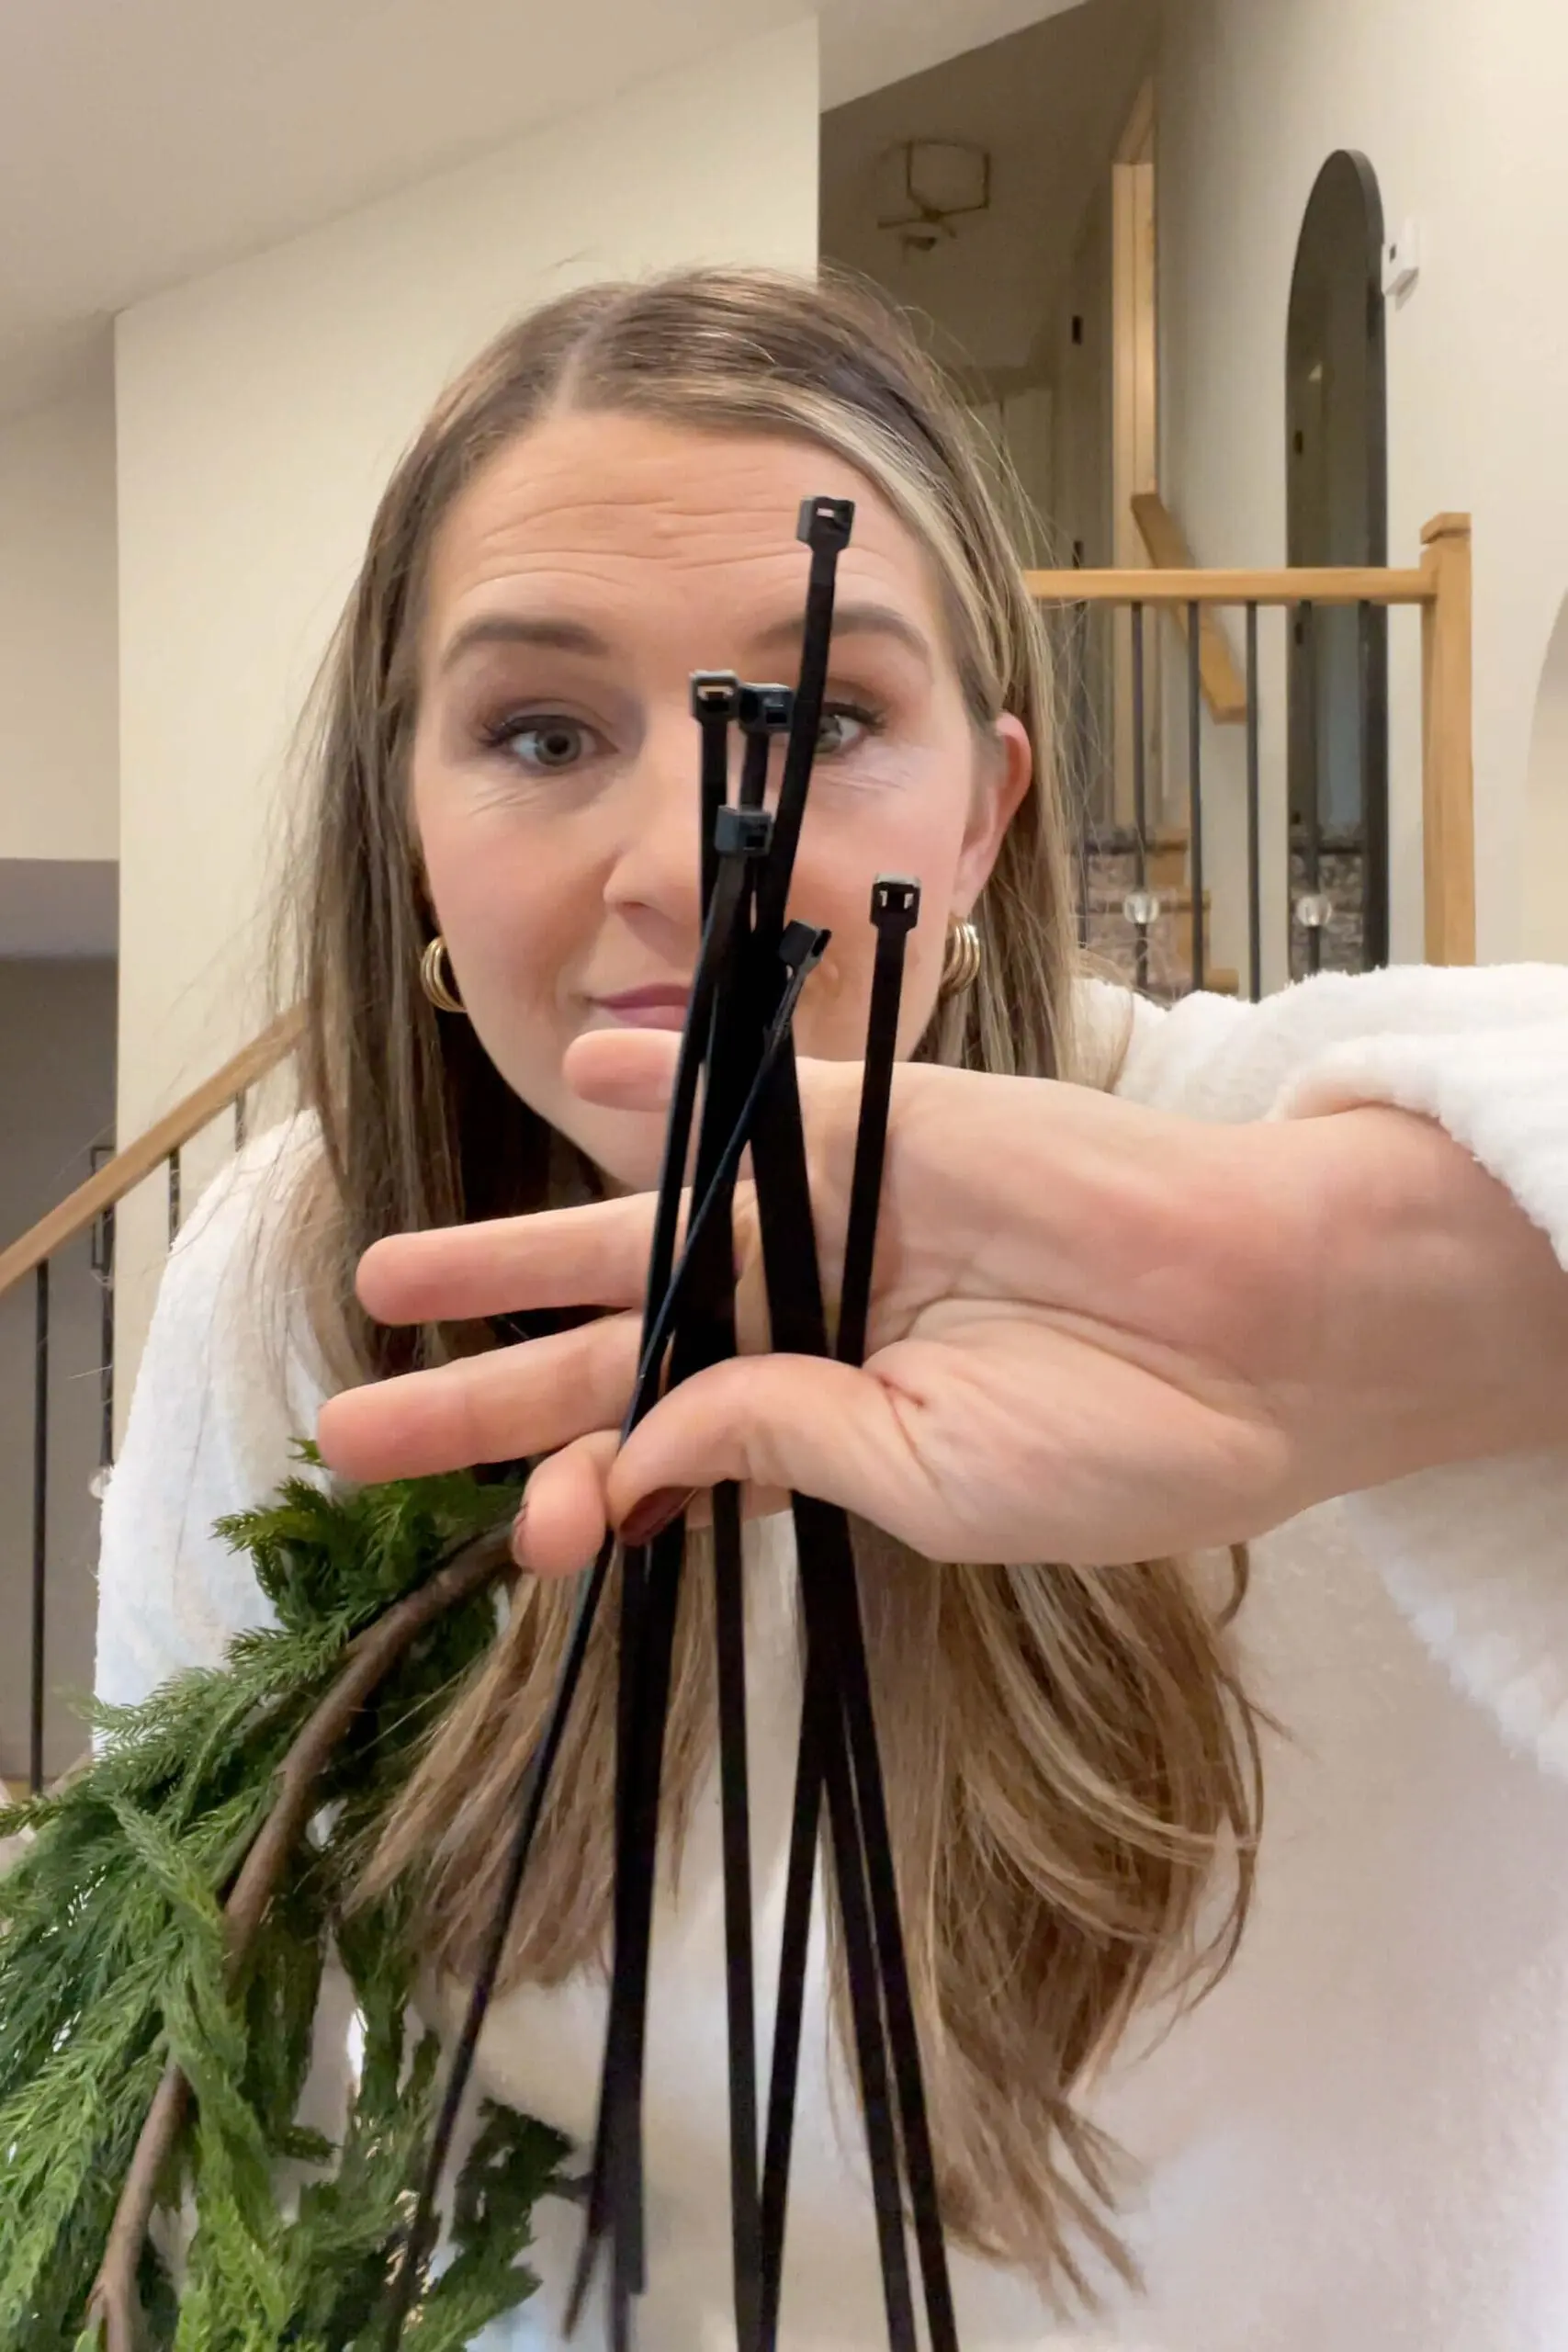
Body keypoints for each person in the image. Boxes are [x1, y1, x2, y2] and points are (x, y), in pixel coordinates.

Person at [97, 266, 1568, 2352]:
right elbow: (215, 2094)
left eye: (823, 724)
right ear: (407, 830)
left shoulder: (1256, 1144)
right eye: (539, 734)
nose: (683, 860)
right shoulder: (300, 1279)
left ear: (982, 815)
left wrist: (1362, 1301)